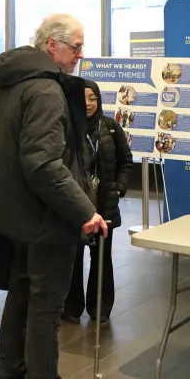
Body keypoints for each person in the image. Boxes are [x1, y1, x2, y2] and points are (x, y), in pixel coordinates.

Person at [0, 13, 108, 379]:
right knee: (45, 307)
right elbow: (43, 164)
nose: (80, 54)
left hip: (16, 214)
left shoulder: (13, 81)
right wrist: (85, 210)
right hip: (45, 217)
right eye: (76, 46)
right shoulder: (46, 89)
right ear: (52, 45)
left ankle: (8, 370)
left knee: (21, 293)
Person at [63, 79, 133, 324]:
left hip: (105, 205)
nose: (89, 103)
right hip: (76, 204)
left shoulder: (111, 127)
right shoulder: (67, 127)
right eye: (84, 98)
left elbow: (126, 160)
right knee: (73, 258)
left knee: (102, 258)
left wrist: (119, 188)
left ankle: (100, 309)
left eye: (93, 98)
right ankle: (71, 308)